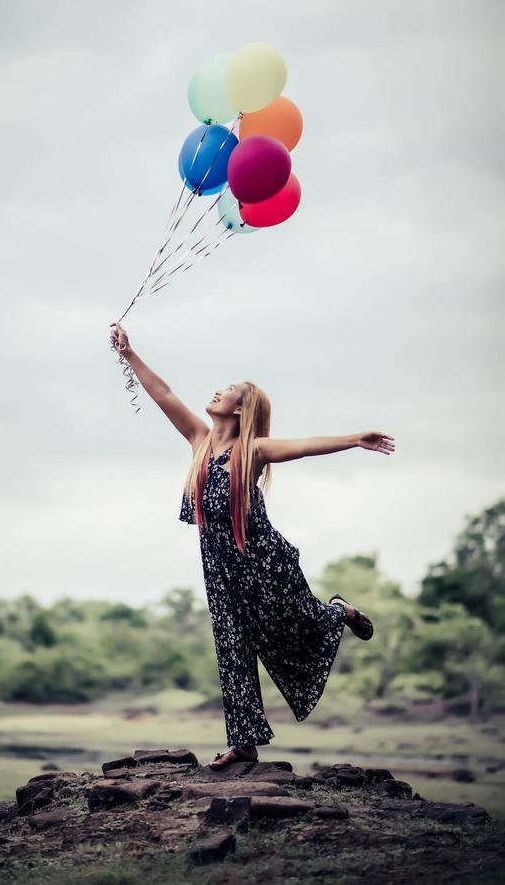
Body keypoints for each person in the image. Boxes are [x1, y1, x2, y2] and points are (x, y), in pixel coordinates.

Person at [108, 321, 395, 769]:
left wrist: (354, 439)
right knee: (231, 644)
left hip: (265, 561)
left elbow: (303, 445)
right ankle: (244, 742)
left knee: (297, 623)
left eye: (227, 391)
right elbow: (162, 393)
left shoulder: (254, 450)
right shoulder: (199, 442)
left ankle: (339, 611)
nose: (217, 393)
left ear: (241, 410)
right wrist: (129, 353)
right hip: (220, 566)